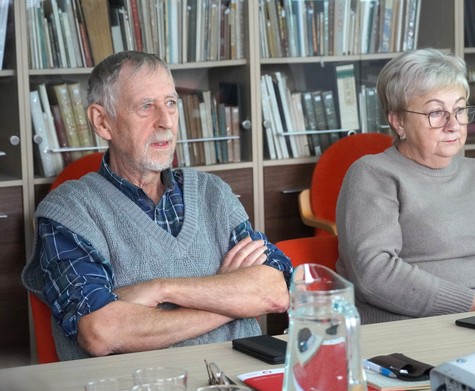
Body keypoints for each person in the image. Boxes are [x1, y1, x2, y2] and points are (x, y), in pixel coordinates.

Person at [22, 51, 292, 360]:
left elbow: (274, 291)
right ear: (102, 122)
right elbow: (101, 332)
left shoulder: (213, 192)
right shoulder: (69, 211)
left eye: (171, 103)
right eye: (146, 106)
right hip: (140, 384)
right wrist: (232, 300)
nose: (165, 121)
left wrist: (162, 289)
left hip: (240, 378)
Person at [335, 48, 475, 324]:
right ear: (398, 121)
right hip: (416, 327)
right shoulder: (373, 174)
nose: (453, 124)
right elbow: (374, 274)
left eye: (460, 110)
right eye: (436, 112)